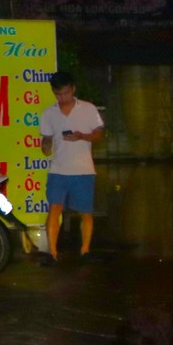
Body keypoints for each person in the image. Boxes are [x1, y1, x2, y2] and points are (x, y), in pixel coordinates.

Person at [38, 71, 105, 263]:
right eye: (58, 94)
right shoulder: (49, 113)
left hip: (83, 170)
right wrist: (45, 145)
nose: (62, 98)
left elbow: (99, 133)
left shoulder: (88, 109)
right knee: (54, 208)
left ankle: (85, 250)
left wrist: (82, 136)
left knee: (85, 211)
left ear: (73, 89)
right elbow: (46, 141)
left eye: (66, 93)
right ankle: (52, 252)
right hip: (58, 169)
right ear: (53, 92)